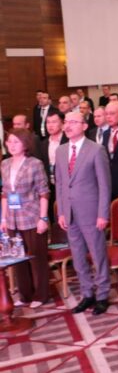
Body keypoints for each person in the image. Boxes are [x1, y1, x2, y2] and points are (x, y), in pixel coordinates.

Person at [55, 112, 112, 315]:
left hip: (91, 213)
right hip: (69, 213)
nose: (68, 126)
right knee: (78, 256)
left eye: (73, 122)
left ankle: (103, 295)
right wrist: (61, 212)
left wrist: (103, 214)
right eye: (66, 122)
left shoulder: (96, 150)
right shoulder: (61, 151)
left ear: (85, 126)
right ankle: (87, 294)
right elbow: (60, 184)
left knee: (98, 254)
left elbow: (104, 185)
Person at [1, 129, 50, 308]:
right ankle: (25, 295)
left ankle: (41, 295)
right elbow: (5, 194)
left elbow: (44, 192)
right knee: (17, 258)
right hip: (12, 218)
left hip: (32, 216)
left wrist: (43, 218)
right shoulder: (4, 164)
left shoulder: (34, 164)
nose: (12, 145)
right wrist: (3, 219)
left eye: (16, 141)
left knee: (37, 258)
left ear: (25, 144)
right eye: (9, 142)